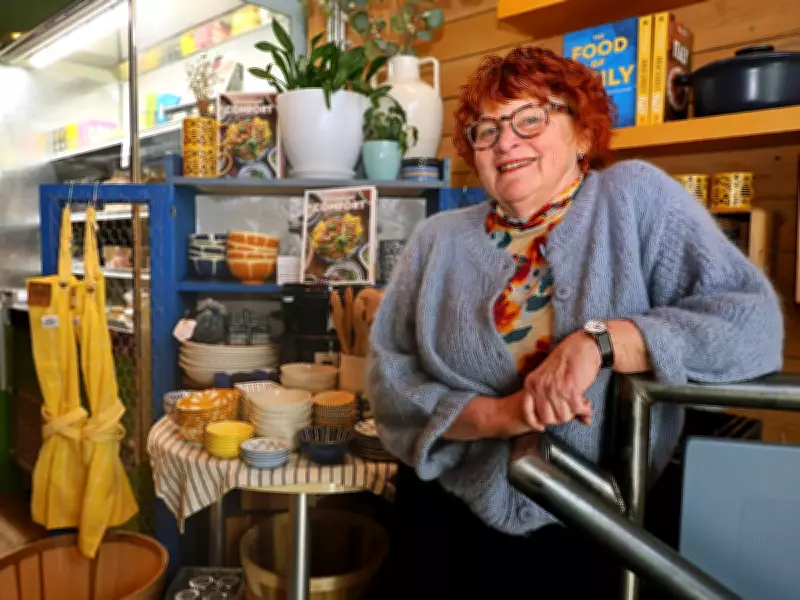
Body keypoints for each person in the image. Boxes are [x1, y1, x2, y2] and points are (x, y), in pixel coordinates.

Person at [368, 45, 784, 599]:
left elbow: (751, 323)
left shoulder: (634, 198)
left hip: (597, 524)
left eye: (530, 118)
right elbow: (390, 384)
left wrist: (602, 340)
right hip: (445, 519)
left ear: (583, 133)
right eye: (486, 130)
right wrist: (501, 415)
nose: (506, 141)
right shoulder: (436, 239)